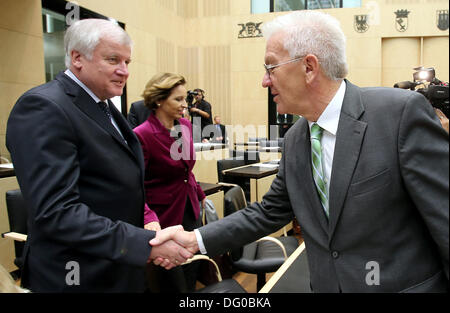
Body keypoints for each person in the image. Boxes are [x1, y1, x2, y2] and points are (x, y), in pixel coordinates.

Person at [151, 11, 449, 293]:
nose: (264, 80)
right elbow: (269, 211)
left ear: (309, 67)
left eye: (270, 68)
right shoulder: (295, 138)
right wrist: (194, 239)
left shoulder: (398, 114)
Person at [5, 19, 191, 292]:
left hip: (116, 266)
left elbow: (113, 184)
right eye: (113, 59)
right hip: (77, 273)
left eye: (128, 62)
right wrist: (141, 245)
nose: (124, 71)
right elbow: (57, 212)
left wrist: (146, 223)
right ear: (77, 58)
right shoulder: (44, 107)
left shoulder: (102, 106)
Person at [134, 73, 206, 292]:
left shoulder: (184, 126)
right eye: (178, 99)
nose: (185, 105)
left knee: (191, 270)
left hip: (190, 208)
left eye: (185, 99)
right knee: (171, 282)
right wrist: (147, 216)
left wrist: (200, 195)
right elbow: (135, 185)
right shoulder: (142, 135)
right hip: (163, 217)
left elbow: (187, 170)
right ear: (159, 100)